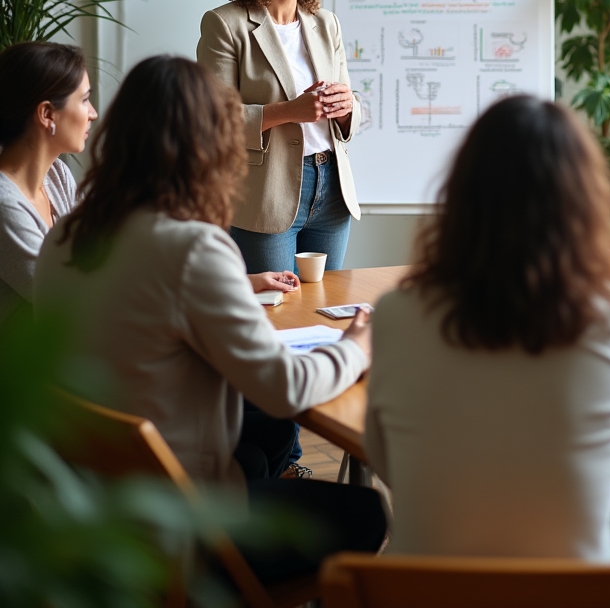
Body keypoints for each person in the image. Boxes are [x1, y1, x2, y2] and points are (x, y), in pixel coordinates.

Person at [34, 57, 385, 584]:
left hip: (95, 499)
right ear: (207, 148)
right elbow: (286, 388)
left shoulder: (67, 237)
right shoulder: (193, 246)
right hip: (180, 524)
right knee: (368, 511)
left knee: (259, 441)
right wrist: (357, 345)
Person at [364, 95, 610, 559]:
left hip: (422, 592)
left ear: (464, 195)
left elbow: (386, 461)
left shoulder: (395, 314)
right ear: (581, 203)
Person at [197, 0, 361, 277]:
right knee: (277, 313)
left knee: (324, 307)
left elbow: (352, 104)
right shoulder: (226, 25)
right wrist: (290, 111)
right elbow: (211, 121)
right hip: (266, 194)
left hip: (332, 189)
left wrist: (347, 105)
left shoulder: (326, 23)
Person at [0, 42, 96, 320]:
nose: (93, 113)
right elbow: (65, 299)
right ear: (46, 114)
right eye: (84, 100)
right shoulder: (5, 206)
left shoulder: (57, 175)